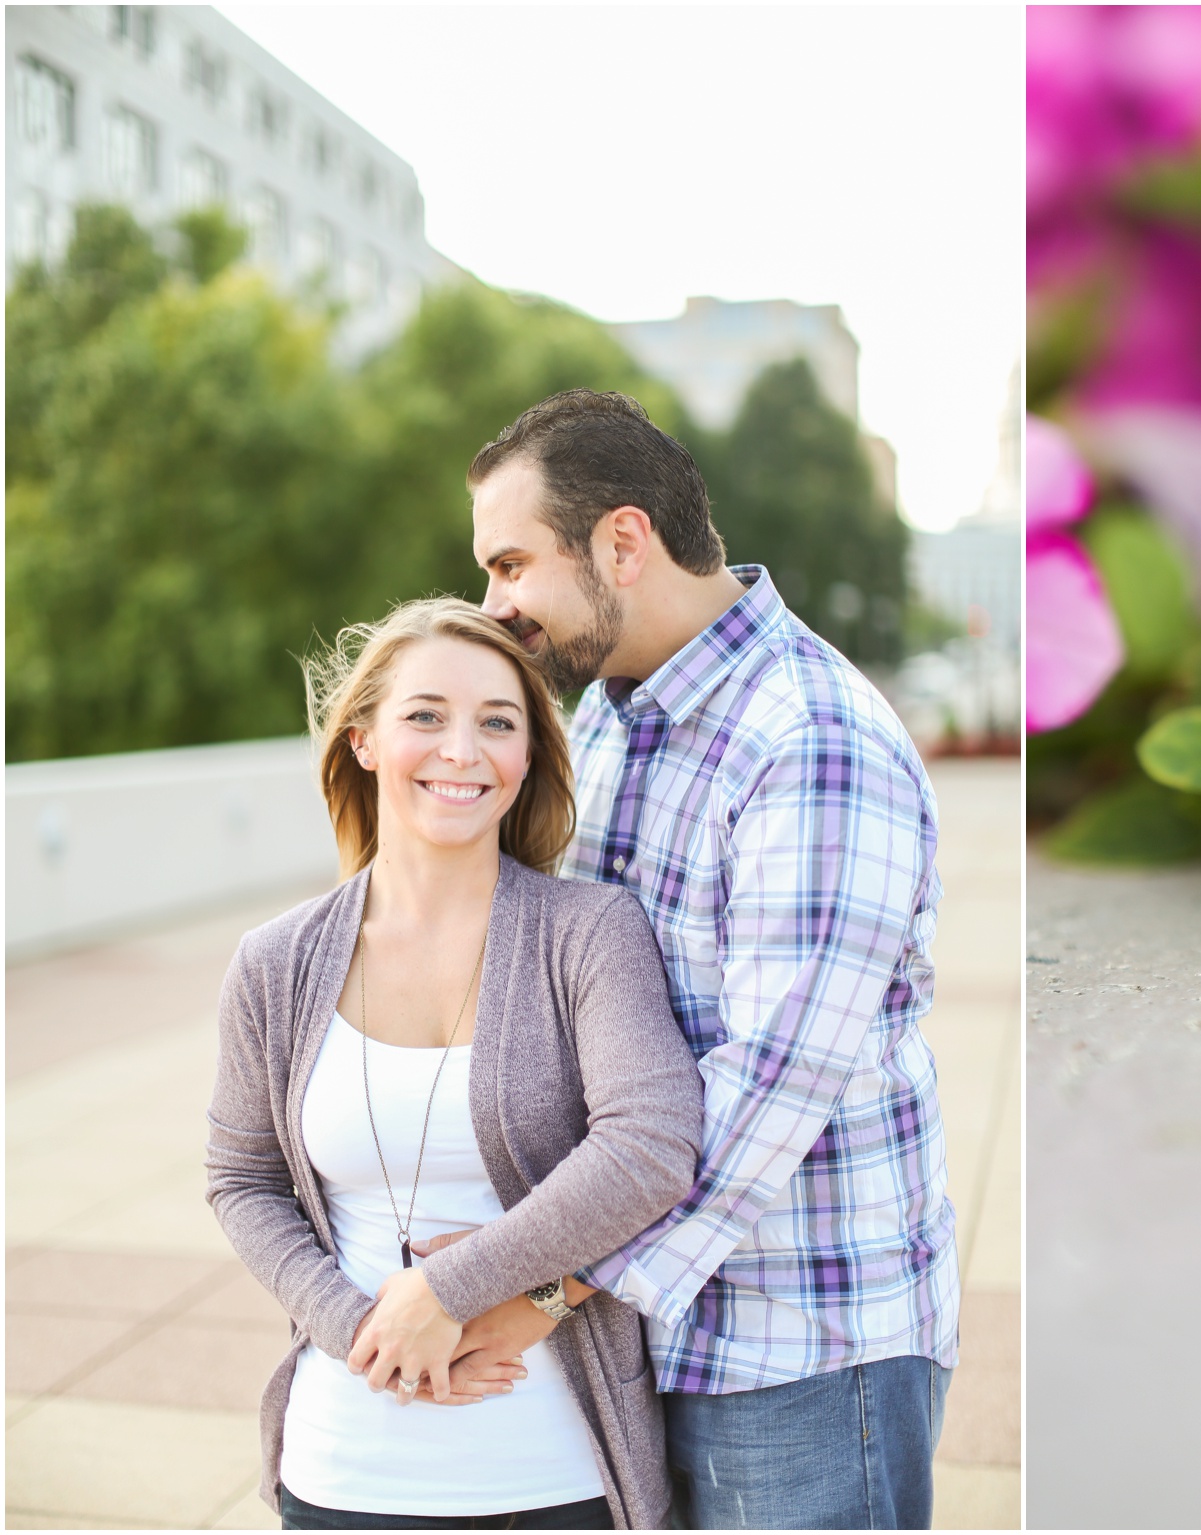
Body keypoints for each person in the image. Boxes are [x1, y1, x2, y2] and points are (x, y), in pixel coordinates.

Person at [396, 388, 961, 1529]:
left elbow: (766, 1088)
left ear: (621, 540)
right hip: (647, 1327)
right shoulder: (605, 716)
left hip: (799, 1347)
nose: (493, 604)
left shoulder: (812, 741)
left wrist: (540, 1284)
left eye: (511, 565)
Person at [205, 598, 705, 1531]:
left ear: (528, 758)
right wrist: (365, 1325)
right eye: (426, 715)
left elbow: (652, 1144)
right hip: (342, 1469)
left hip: (554, 1473)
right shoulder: (274, 963)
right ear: (362, 740)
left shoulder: (588, 934)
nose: (462, 751)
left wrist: (447, 1288)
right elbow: (241, 1179)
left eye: (498, 723)